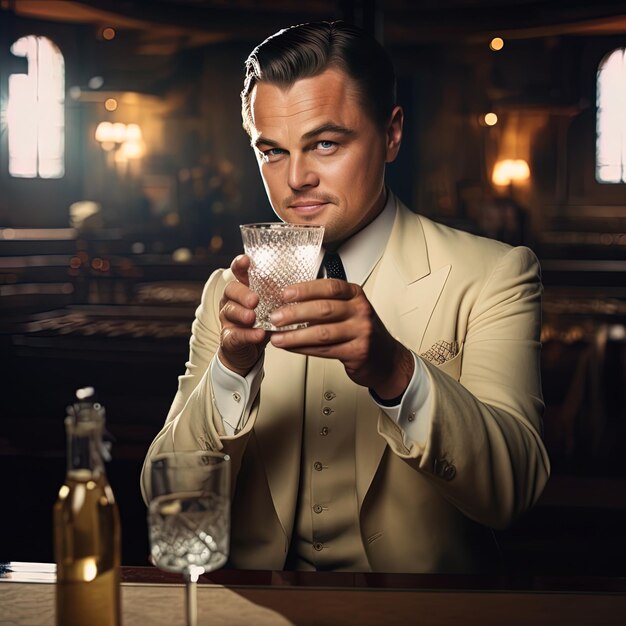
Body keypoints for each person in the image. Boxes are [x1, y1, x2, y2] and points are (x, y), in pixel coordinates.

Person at [141, 20, 550, 573]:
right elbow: (169, 498)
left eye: (325, 143)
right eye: (273, 152)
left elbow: (514, 492)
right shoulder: (227, 290)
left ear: (392, 134)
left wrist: (396, 371)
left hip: (423, 614)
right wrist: (231, 371)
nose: (295, 179)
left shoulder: (495, 274)